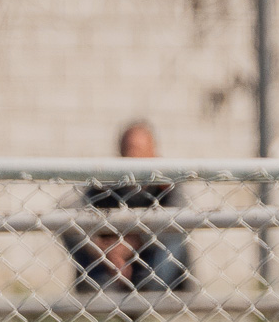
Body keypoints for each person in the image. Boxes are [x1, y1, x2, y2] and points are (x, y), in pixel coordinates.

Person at [68, 121, 192, 293]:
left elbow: (181, 217)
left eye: (138, 149)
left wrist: (133, 243)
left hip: (153, 260)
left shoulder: (167, 183)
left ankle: (151, 294)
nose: (133, 156)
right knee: (71, 229)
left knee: (175, 236)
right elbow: (67, 210)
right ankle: (98, 293)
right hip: (110, 263)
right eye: (128, 149)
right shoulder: (106, 185)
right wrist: (102, 250)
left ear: (153, 152)